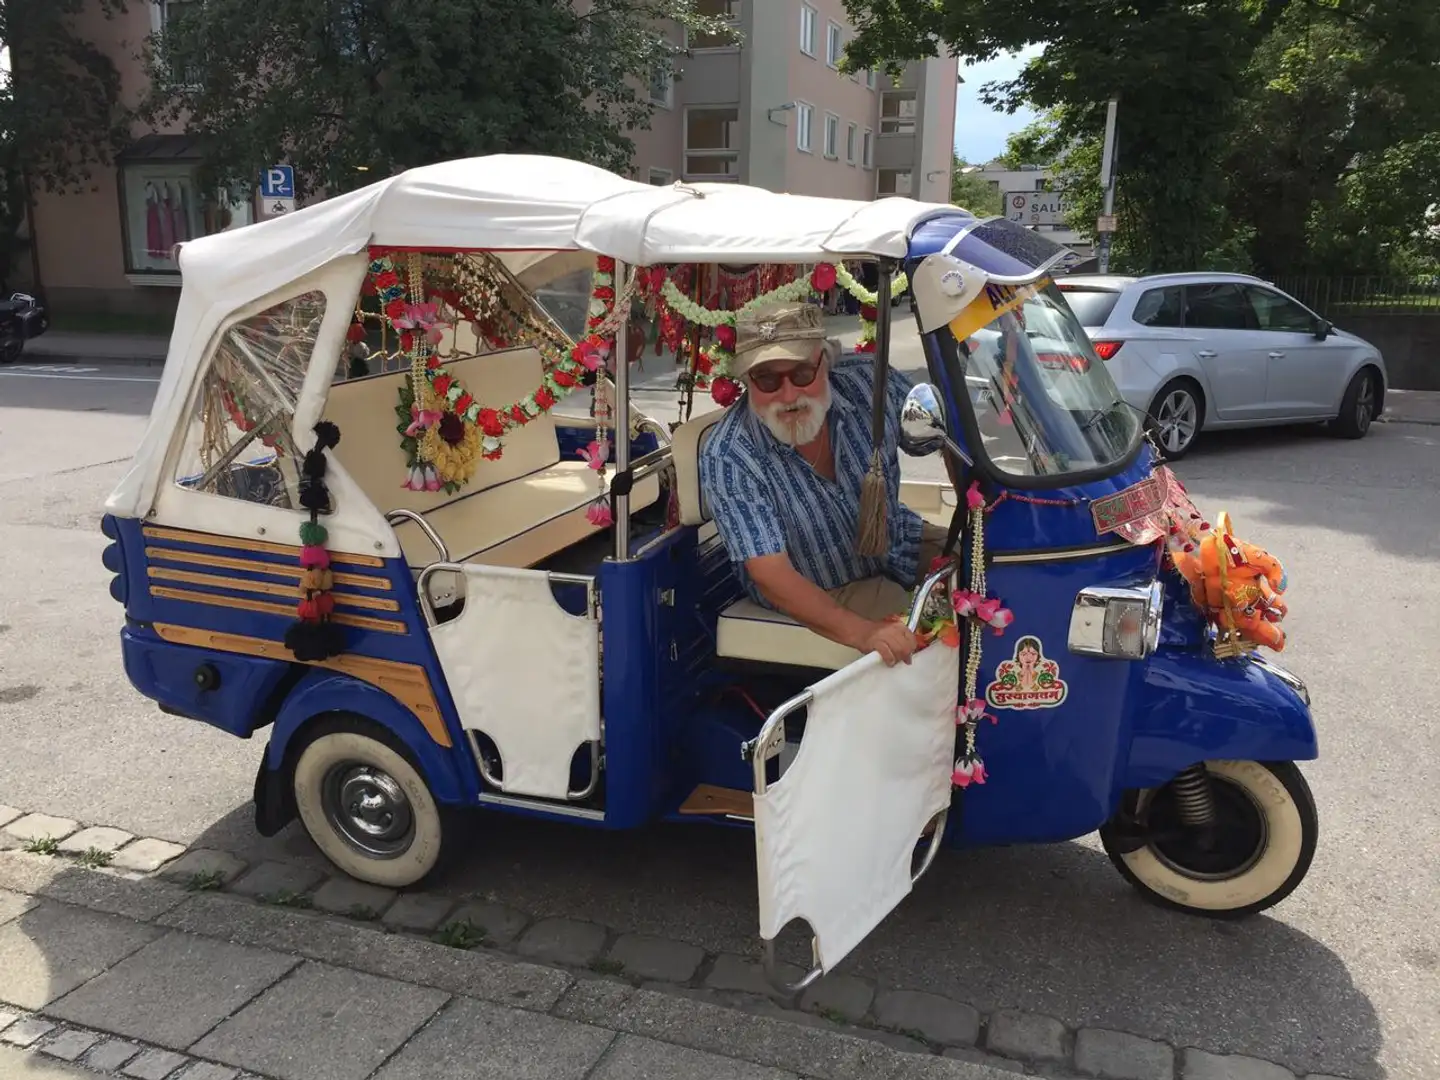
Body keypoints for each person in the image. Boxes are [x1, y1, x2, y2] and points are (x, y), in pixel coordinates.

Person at [699, 300, 949, 667]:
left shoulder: (868, 383)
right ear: (746, 381)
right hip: (824, 584)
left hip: (897, 541)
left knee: (993, 570)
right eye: (767, 379)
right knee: (944, 630)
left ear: (825, 363)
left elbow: (948, 440)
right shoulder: (730, 454)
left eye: (801, 373)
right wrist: (865, 633)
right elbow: (770, 574)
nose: (788, 395)